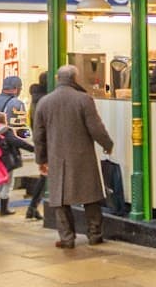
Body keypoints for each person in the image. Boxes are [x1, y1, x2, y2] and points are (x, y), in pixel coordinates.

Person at [33, 64, 115, 249]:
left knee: (59, 198)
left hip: (56, 156)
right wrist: (107, 144)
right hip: (82, 156)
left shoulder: (45, 102)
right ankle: (95, 234)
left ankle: (67, 238)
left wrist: (41, 159)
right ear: (75, 79)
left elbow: (38, 135)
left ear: (58, 79)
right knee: (90, 196)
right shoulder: (84, 99)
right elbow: (96, 127)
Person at [0, 76, 27, 216]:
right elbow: (21, 129)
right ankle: (2, 207)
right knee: (8, 180)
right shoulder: (17, 103)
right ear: (16, 88)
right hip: (9, 147)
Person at [0, 110, 36, 216]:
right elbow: (16, 142)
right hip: (7, 161)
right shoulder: (4, 130)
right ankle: (3, 209)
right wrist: (32, 149)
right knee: (7, 184)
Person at [24, 71, 49, 220]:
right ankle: (32, 207)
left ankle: (32, 207)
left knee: (44, 176)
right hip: (47, 141)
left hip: (40, 140)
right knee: (45, 175)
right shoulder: (44, 100)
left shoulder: (36, 99)